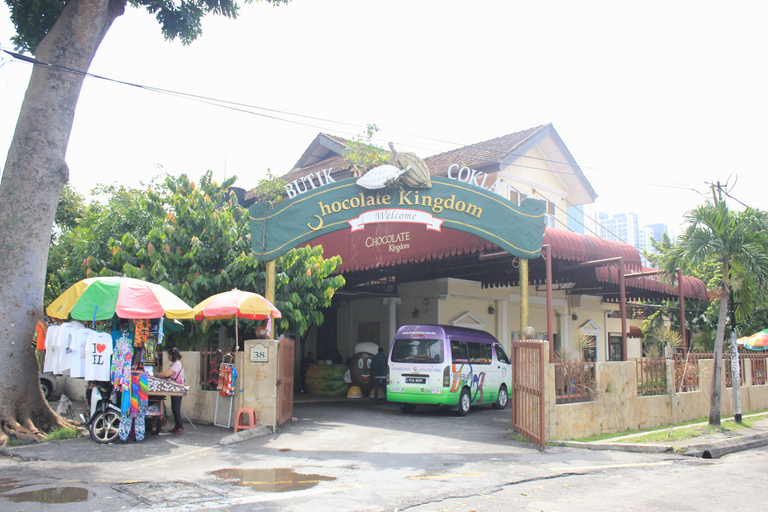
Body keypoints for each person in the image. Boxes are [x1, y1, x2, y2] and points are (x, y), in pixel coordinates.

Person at [155, 347, 185, 435]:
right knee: (174, 408)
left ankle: (180, 427)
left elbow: (166, 374)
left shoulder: (177, 364)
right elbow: (168, 375)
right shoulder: (174, 364)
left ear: (172, 356)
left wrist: (155, 374)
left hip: (177, 388)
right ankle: (177, 427)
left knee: (176, 408)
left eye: (169, 355)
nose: (168, 356)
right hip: (174, 388)